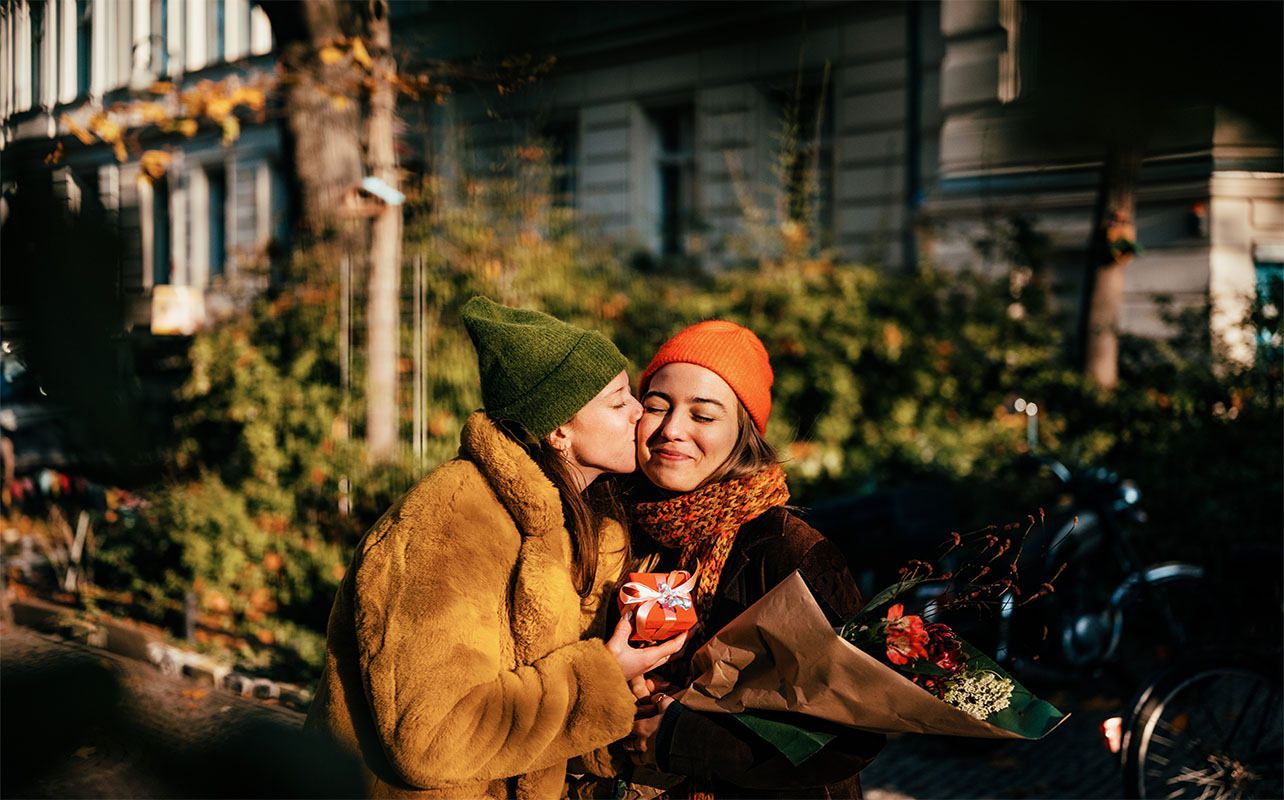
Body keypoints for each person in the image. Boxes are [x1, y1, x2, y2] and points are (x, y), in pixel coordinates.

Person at [304, 297, 688, 799]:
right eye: (618, 402)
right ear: (558, 431)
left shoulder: (590, 529)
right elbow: (433, 738)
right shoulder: (449, 523)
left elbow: (543, 721)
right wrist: (603, 676)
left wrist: (633, 715)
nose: (642, 413)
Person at [624, 320, 885, 799]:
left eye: (702, 416)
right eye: (656, 407)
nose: (671, 429)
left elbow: (852, 734)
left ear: (744, 433)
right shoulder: (624, 534)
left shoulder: (790, 550)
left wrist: (678, 736)